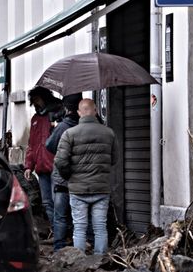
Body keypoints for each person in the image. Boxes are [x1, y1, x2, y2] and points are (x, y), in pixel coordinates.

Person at [54, 98, 121, 256]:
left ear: (79, 113)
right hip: (101, 188)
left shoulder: (69, 134)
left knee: (79, 227)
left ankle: (80, 263)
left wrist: (69, 176)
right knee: (100, 227)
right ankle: (100, 260)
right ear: (96, 111)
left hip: (78, 189)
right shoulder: (109, 133)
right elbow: (114, 159)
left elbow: (60, 161)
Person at [44, 93, 82, 251]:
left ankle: (59, 247)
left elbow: (49, 145)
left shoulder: (62, 127)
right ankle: (81, 245)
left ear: (66, 108)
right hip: (82, 178)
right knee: (80, 216)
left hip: (62, 180)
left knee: (60, 216)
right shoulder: (90, 124)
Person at [23, 87, 60, 227]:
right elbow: (31, 144)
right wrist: (28, 166)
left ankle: (62, 233)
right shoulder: (35, 119)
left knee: (58, 202)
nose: (35, 103)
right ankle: (57, 232)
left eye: (37, 99)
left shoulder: (57, 114)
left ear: (44, 97)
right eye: (33, 101)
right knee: (47, 203)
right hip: (41, 167)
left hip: (56, 166)